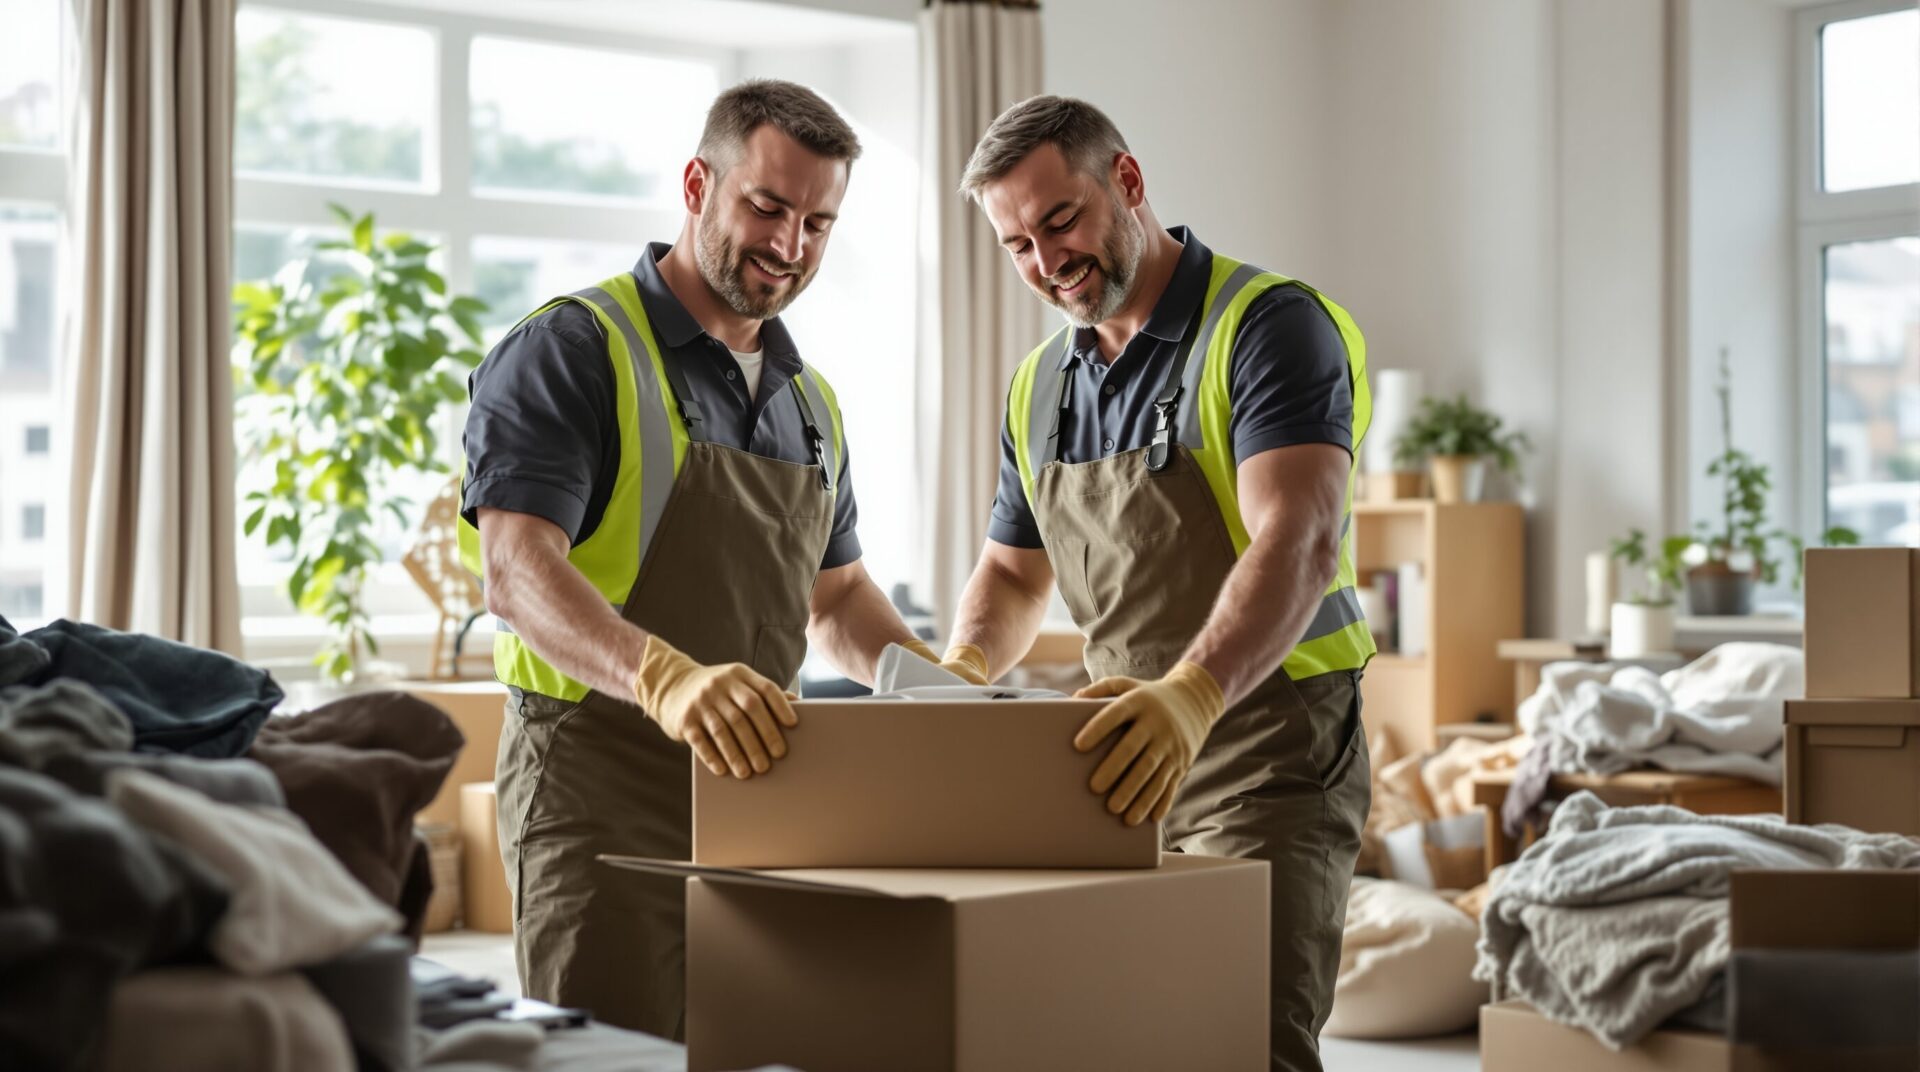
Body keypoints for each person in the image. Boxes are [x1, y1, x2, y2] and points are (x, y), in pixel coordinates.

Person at [455, 79, 947, 1038]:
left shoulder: (813, 404)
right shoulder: (576, 349)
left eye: (817, 222)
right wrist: (665, 677)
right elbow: (516, 573)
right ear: (697, 183)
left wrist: (954, 704)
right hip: (598, 788)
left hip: (763, 795)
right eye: (766, 206)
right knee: (618, 1052)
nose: (788, 245)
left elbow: (837, 599)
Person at [935, 95, 1376, 1072]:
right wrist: (960, 673)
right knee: (1119, 1036)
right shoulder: (1037, 384)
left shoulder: (1269, 327)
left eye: (1060, 222)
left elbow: (1297, 538)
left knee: (1236, 1037)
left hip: (1268, 744)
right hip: (1116, 756)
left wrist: (1192, 694)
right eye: (1017, 245)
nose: (1046, 264)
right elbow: (1013, 572)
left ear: (1126, 184)